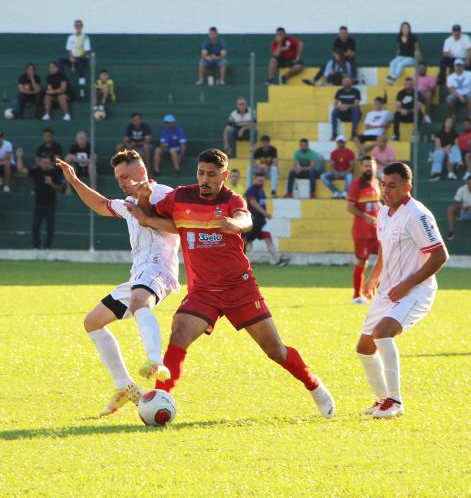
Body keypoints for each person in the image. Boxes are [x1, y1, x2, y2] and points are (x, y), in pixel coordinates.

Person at [127, 148, 335, 418]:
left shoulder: (231, 199)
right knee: (178, 335)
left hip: (240, 289)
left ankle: (314, 386)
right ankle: (161, 401)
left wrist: (235, 224)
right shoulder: (180, 196)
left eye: (212, 175)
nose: (205, 179)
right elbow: (161, 218)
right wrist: (144, 206)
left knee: (276, 351)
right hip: (203, 292)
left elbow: (246, 218)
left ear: (224, 176)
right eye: (201, 173)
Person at [53, 149, 180, 416]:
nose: (122, 182)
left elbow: (179, 226)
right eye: (118, 178)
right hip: (139, 276)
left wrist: (149, 217)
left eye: (126, 176)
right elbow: (101, 206)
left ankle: (156, 360)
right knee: (93, 322)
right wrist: (74, 180)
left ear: (142, 172)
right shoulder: (128, 203)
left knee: (138, 302)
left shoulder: (164, 195)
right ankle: (124, 386)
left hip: (159, 271)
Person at [357, 161, 449, 418]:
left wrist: (406, 284)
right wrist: (373, 277)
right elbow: (384, 248)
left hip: (416, 291)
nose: (385, 191)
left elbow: (440, 255)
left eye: (392, 186)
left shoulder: (417, 214)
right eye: (383, 185)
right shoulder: (384, 213)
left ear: (407, 186)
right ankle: (381, 400)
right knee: (364, 348)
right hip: (389, 291)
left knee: (382, 333)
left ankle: (395, 402)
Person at [16, 149, 66, 249]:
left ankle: (47, 246)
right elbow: (21, 170)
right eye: (43, 162)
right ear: (40, 162)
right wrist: (19, 157)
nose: (45, 164)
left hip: (50, 205)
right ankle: (36, 246)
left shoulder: (54, 173)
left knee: (50, 228)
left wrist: (51, 184)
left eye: (47, 162)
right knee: (35, 226)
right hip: (38, 204)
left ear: (50, 162)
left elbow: (61, 190)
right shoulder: (37, 170)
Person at [347, 156, 381, 305]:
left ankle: (376, 292)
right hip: (362, 232)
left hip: (377, 230)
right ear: (361, 168)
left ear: (376, 167)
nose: (368, 168)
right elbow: (350, 206)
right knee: (362, 261)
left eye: (371, 165)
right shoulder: (357, 184)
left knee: (386, 258)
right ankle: (356, 296)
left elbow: (377, 202)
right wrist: (364, 216)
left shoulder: (377, 182)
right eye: (366, 165)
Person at [243, 172, 290, 267]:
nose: (261, 182)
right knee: (245, 241)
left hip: (262, 221)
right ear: (254, 180)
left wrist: (264, 215)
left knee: (268, 239)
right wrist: (265, 213)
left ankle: (278, 260)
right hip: (254, 220)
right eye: (259, 180)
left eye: (263, 181)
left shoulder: (261, 191)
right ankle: (240, 261)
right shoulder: (251, 190)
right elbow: (253, 203)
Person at [447, 175, 471, 240]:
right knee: (450, 209)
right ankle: (451, 232)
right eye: (469, 183)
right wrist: (463, 207)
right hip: (463, 211)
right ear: (466, 183)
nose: (470, 185)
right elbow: (455, 202)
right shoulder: (462, 189)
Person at [58, 19, 91, 97]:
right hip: (72, 58)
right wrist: (70, 57)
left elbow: (86, 51)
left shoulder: (85, 37)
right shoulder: (70, 37)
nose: (77, 26)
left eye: (79, 25)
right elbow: (69, 49)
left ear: (82, 26)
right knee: (61, 59)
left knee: (80, 63)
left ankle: (82, 86)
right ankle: (62, 79)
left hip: (81, 58)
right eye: (76, 25)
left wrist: (76, 58)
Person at [330, 76, 362, 142]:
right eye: (345, 82)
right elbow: (335, 105)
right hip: (343, 114)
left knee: (356, 111)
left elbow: (356, 105)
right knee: (334, 112)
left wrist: (347, 106)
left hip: (353, 114)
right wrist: (341, 107)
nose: (346, 83)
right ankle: (334, 133)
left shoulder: (356, 91)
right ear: (342, 83)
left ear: (351, 82)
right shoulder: (339, 91)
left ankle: (353, 134)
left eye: (348, 81)